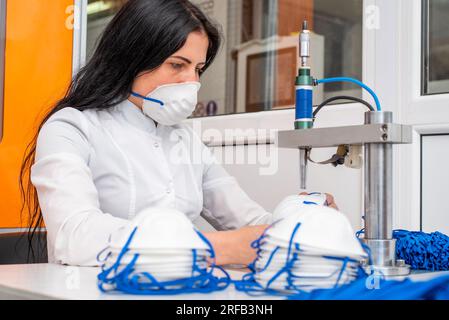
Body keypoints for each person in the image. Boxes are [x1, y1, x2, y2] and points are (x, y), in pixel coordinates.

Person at [20, 0, 338, 267]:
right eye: (177, 65)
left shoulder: (185, 140)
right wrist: (215, 248)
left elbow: (248, 221)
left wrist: (300, 219)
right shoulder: (71, 128)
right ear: (132, 58)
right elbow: (75, 237)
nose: (191, 82)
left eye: (197, 69)